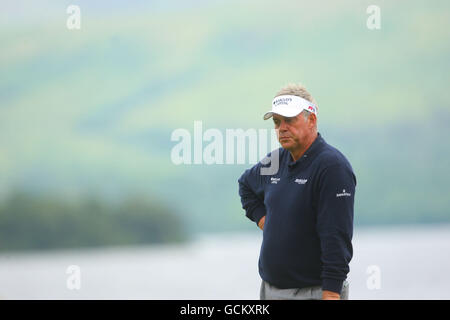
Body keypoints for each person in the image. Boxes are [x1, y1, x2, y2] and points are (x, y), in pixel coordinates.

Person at [238, 83, 356, 300]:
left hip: (315, 291)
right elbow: (245, 185)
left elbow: (336, 238)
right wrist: (264, 220)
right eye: (276, 122)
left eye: (289, 120)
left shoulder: (332, 167)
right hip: (270, 289)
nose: (282, 128)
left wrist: (331, 294)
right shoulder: (275, 160)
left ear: (311, 120)